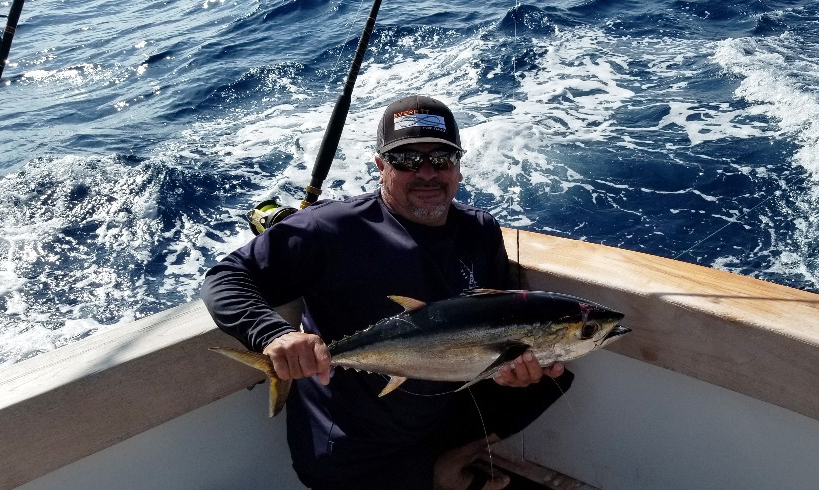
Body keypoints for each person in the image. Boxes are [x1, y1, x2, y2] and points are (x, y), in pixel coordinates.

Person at [201, 95, 573, 490]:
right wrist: (274, 334)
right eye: (407, 160)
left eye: (441, 159)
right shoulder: (331, 229)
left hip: (441, 407)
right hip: (357, 446)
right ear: (380, 166)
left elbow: (505, 318)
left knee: (553, 374)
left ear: (459, 167)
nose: (427, 172)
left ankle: (450, 462)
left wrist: (508, 372)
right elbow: (225, 278)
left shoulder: (479, 229)